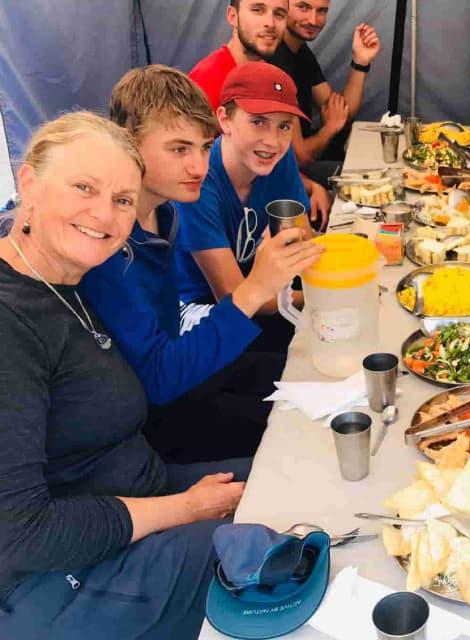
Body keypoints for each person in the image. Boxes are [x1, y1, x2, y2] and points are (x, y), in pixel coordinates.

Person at [0, 111, 249, 640]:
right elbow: (20, 534)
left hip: (144, 495)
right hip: (59, 583)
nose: (103, 214)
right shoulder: (10, 322)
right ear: (28, 184)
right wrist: (184, 509)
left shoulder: (66, 282)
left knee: (293, 473)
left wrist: (179, 502)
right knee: (290, 543)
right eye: (83, 187)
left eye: (121, 200)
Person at [80, 65, 322, 464]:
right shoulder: (109, 248)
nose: (199, 166)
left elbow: (173, 342)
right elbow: (159, 381)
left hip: (187, 371)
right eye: (179, 150)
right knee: (298, 437)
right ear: (127, 144)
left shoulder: (165, 214)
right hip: (152, 422)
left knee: (305, 378)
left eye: (204, 147)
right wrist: (258, 286)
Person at [175, 61, 314, 354]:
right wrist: (319, 293)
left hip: (261, 288)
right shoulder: (198, 183)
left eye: (284, 126)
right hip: (208, 312)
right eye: (258, 121)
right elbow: (235, 298)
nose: (273, 141)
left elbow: (302, 239)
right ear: (224, 120)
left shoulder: (278, 156)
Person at [190, 0, 330, 228]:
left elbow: (274, 157)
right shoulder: (206, 81)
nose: (270, 23)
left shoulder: (272, 76)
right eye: (257, 10)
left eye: (279, 14)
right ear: (232, 16)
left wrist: (309, 186)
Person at [269, 0, 381, 176]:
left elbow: (344, 113)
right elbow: (301, 157)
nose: (313, 20)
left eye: (321, 11)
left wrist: (361, 62)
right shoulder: (274, 62)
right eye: (303, 7)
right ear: (283, 7)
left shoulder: (301, 52)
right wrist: (329, 128)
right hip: (282, 173)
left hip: (305, 158)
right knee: (371, 178)